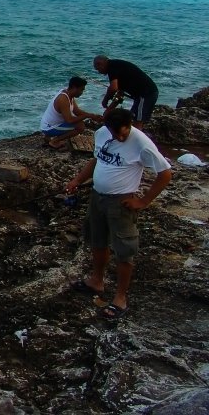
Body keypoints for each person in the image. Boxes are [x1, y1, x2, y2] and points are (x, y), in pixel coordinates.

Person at [65, 108, 172, 320]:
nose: (120, 137)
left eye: (123, 133)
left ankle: (120, 298)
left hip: (120, 203)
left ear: (129, 125)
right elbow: (97, 159)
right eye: (116, 133)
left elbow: (165, 173)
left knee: (124, 250)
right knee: (98, 240)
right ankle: (97, 281)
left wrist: (143, 201)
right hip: (97, 197)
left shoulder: (141, 144)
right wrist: (77, 180)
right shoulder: (102, 134)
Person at [93, 55, 158, 129]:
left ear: (100, 64)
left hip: (146, 94)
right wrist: (108, 110)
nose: (99, 72)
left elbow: (113, 88)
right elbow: (120, 94)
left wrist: (105, 100)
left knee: (138, 120)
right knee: (131, 118)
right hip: (140, 96)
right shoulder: (118, 69)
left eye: (98, 69)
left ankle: (135, 138)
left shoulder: (112, 67)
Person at [40, 76, 102, 149]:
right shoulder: (63, 99)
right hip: (48, 128)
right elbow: (69, 120)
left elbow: (76, 111)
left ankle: (48, 137)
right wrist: (86, 116)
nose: (82, 93)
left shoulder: (68, 94)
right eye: (81, 90)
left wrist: (92, 116)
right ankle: (54, 141)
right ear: (74, 87)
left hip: (47, 125)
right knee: (80, 126)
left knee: (78, 121)